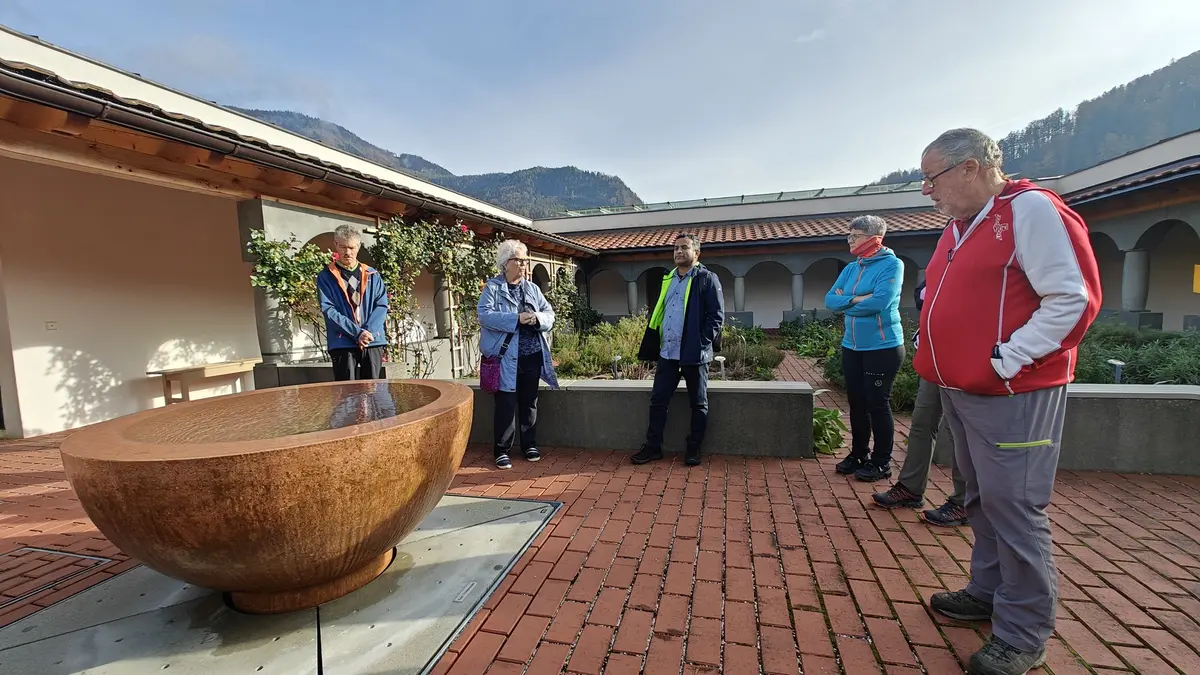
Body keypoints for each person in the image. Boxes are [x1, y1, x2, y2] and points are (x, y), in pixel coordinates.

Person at [915, 128, 1102, 675]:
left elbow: (1073, 299)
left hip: (1012, 391)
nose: (927, 190)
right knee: (981, 498)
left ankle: (1023, 633)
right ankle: (987, 590)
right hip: (962, 389)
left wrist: (1007, 358)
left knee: (1016, 508)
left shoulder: (1032, 210)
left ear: (970, 167)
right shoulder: (960, 226)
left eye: (931, 177)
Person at [872, 279, 968, 527]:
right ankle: (910, 488)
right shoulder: (945, 258)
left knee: (959, 431)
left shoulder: (979, 259)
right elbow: (921, 292)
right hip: (934, 351)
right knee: (922, 423)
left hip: (964, 352)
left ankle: (965, 501)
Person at [631, 233, 724, 467]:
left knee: (698, 403)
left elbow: (716, 317)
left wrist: (701, 343)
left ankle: (693, 449)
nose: (679, 251)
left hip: (694, 354)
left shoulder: (707, 278)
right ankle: (653, 447)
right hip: (668, 353)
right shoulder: (668, 278)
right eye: (675, 248)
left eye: (684, 247)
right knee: (658, 401)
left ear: (697, 253)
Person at [825, 215, 905, 483]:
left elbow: (880, 303)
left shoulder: (892, 265)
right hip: (852, 346)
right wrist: (858, 299)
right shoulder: (851, 268)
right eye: (849, 235)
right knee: (857, 403)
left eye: (855, 236)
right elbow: (830, 301)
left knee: (877, 404)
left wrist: (847, 302)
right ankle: (859, 454)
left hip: (882, 347)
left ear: (874, 239)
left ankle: (881, 462)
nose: (850, 240)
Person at [477, 240, 559, 470]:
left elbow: (549, 313)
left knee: (529, 402)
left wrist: (537, 318)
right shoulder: (493, 288)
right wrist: (516, 319)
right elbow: (485, 316)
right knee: (505, 403)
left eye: (525, 261)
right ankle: (502, 450)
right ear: (506, 263)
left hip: (531, 354)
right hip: (505, 358)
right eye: (519, 260)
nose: (523, 265)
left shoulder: (532, 288)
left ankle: (529, 445)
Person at [317, 224, 389, 380]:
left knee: (373, 389)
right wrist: (357, 333)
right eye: (343, 247)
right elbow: (328, 310)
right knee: (346, 391)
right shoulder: (326, 276)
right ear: (335, 244)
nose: (347, 252)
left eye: (351, 247)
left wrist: (367, 332)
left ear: (359, 246)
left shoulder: (372, 274)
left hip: (371, 340)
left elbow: (381, 305)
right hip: (342, 342)